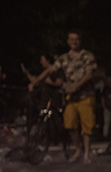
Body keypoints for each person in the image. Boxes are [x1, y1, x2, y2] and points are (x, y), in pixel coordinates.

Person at [34, 32, 97, 164]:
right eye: (72, 39)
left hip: (85, 96)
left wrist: (76, 86)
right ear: (68, 41)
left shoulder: (87, 56)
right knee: (70, 124)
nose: (74, 42)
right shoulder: (64, 58)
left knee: (87, 126)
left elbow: (89, 74)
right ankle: (78, 149)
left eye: (77, 39)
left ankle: (86, 154)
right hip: (71, 98)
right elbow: (50, 69)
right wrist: (34, 82)